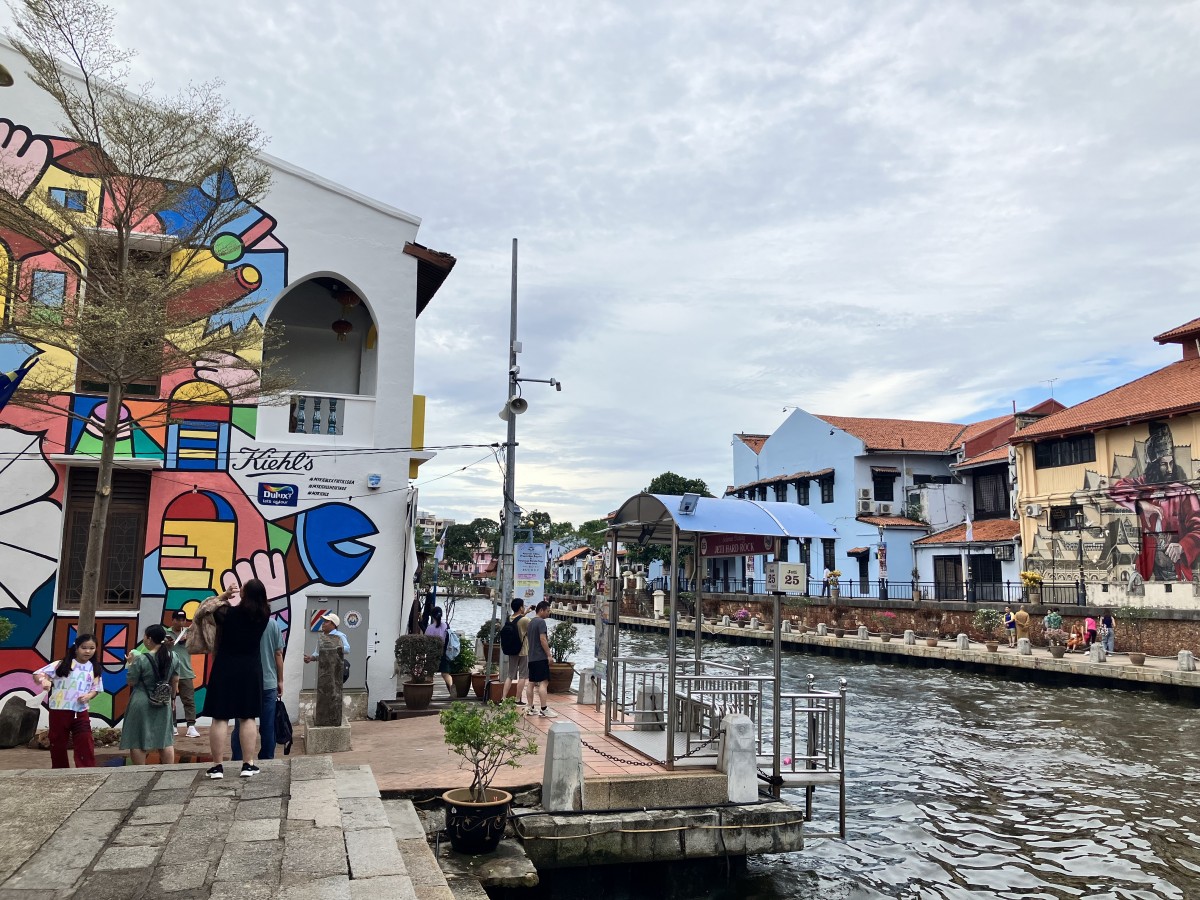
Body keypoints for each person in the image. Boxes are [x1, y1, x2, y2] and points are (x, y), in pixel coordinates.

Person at [1109, 421, 1200, 582]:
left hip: (1175, 568)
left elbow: (1198, 528)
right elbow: (1116, 489)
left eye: (1171, 463)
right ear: (1154, 466)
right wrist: (1141, 504)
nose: (1170, 469)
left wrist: (1182, 546)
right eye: (1164, 464)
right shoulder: (1144, 484)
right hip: (1149, 567)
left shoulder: (1185, 492)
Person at [201, 579, 269, 779]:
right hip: (250, 668)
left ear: (244, 594)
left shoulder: (227, 613)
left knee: (220, 717)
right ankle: (248, 764)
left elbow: (204, 609)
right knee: (247, 716)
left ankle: (217, 766)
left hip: (225, 667)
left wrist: (223, 596)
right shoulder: (264, 615)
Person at [33, 633, 101, 769]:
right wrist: (44, 680)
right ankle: (60, 770)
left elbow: (96, 689)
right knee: (58, 743)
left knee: (85, 740)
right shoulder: (61, 664)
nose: (88, 651)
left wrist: (89, 696)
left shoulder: (94, 668)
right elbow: (37, 674)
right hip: (59, 710)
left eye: (92, 648)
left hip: (80, 711)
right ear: (76, 648)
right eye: (84, 647)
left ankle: (86, 770)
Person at [120, 624, 179, 765]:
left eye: (145, 636)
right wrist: (172, 699)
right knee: (165, 739)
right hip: (164, 700)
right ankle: (168, 771)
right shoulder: (174, 656)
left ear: (149, 639)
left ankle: (140, 772)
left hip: (141, 700)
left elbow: (131, 681)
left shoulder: (141, 659)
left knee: (137, 738)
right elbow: (175, 679)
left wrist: (130, 663)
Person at [232, 610, 284, 763]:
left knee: (241, 723)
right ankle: (267, 759)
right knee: (268, 725)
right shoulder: (273, 624)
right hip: (268, 682)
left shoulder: (238, 624)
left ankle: (238, 758)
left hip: (244, 682)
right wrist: (280, 680)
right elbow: (278, 654)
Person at [168, 610, 200, 738]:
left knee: (189, 700)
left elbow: (198, 645)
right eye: (178, 619)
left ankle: (191, 726)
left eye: (183, 619)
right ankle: (172, 726)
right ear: (173, 620)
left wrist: (189, 639)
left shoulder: (189, 632)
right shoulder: (166, 633)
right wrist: (168, 644)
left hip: (186, 671)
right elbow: (160, 649)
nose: (181, 622)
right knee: (170, 700)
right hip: (170, 672)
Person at [526, 600, 558, 718]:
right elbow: (543, 639)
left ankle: (530, 707)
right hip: (540, 657)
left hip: (531, 657)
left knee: (531, 682)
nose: (548, 613)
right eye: (548, 611)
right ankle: (544, 708)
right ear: (541, 610)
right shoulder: (541, 623)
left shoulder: (530, 622)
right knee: (544, 682)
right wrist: (549, 655)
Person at [304, 613, 350, 684]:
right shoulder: (322, 637)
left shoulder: (339, 636)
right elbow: (317, 653)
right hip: (323, 671)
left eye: (326, 622)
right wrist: (310, 658)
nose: (323, 624)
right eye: (323, 622)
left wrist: (334, 648)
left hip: (335, 671)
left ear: (333, 624)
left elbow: (347, 649)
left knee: (334, 692)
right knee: (323, 692)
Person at [501, 599, 530, 706]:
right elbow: (530, 627)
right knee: (522, 676)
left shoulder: (509, 618)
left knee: (510, 675)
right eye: (523, 606)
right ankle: (517, 699)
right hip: (522, 651)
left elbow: (518, 620)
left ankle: (503, 698)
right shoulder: (525, 620)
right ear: (521, 607)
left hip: (512, 650)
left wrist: (525, 613)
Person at [422, 607, 454, 692]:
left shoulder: (430, 628)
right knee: (445, 674)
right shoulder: (446, 626)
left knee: (430, 674)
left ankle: (428, 694)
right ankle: (451, 687)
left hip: (432, 653)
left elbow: (426, 641)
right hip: (444, 652)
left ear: (432, 616)